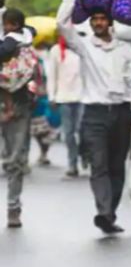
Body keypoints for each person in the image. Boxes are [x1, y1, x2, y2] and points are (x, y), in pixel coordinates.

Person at [56, 0, 131, 235]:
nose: (97, 23)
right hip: (93, 114)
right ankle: (104, 211)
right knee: (99, 165)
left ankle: (109, 214)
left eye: (102, 19)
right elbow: (62, 23)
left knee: (117, 166)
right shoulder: (83, 46)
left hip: (122, 113)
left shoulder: (127, 51)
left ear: (110, 22)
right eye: (94, 20)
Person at [0, 8, 37, 228]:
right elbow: (31, 29)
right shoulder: (25, 34)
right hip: (13, 99)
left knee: (14, 160)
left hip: (17, 101)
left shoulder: (12, 40)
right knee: (14, 160)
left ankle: (13, 207)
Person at [47, 38, 83, 177]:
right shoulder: (56, 50)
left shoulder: (83, 47)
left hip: (83, 96)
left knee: (83, 130)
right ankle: (72, 164)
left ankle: (85, 155)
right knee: (68, 133)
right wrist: (52, 96)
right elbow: (52, 75)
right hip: (64, 97)